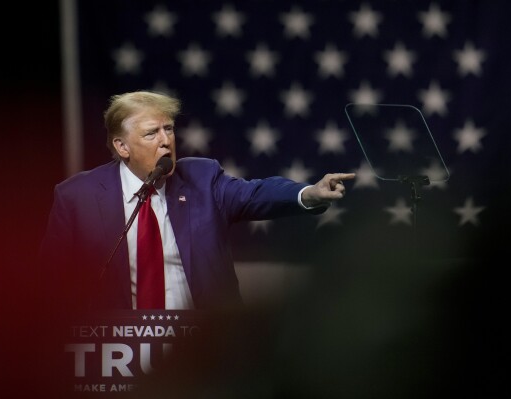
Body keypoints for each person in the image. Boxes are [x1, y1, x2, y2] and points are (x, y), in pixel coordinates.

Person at [39, 90, 355, 315]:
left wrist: (308, 193)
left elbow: (255, 193)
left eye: (169, 129)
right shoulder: (76, 197)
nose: (166, 140)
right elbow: (51, 282)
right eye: (152, 133)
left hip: (202, 349)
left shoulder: (202, 178)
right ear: (122, 146)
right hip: (120, 350)